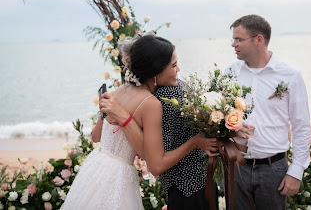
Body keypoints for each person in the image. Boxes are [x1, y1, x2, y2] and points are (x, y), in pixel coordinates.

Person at [61, 35, 218, 210]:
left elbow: (96, 136)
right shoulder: (151, 103)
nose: (178, 69)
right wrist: (194, 142)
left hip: (95, 170)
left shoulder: (119, 91)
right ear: (156, 70)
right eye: (173, 65)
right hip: (119, 179)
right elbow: (156, 165)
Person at [225, 14, 311, 209]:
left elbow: (301, 127)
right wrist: (230, 127)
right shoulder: (229, 73)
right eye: (233, 39)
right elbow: (218, 117)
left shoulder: (290, 76)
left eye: (238, 39)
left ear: (259, 40)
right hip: (236, 167)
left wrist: (296, 171)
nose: (233, 44)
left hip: (274, 170)